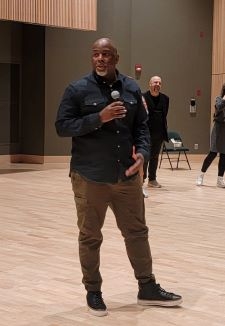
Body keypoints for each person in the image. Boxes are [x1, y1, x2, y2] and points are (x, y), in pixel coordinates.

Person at [55, 37, 182, 317]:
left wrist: (144, 154)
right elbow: (62, 127)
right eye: (96, 54)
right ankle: (94, 291)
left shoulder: (131, 87)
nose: (100, 59)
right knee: (90, 237)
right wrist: (98, 118)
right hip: (90, 177)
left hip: (126, 176)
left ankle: (147, 287)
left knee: (137, 232)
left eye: (106, 54)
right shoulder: (77, 89)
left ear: (116, 57)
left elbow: (142, 128)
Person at [196, 83, 225, 188]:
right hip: (218, 129)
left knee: (224, 156)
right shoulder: (219, 99)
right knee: (212, 153)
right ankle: (201, 175)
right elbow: (219, 107)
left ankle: (220, 179)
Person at [142, 76, 169, 188]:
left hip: (159, 133)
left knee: (155, 157)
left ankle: (152, 179)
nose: (157, 84)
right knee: (145, 157)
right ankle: (142, 179)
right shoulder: (143, 97)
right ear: (150, 84)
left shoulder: (165, 98)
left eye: (159, 83)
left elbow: (164, 115)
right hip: (146, 133)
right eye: (155, 82)